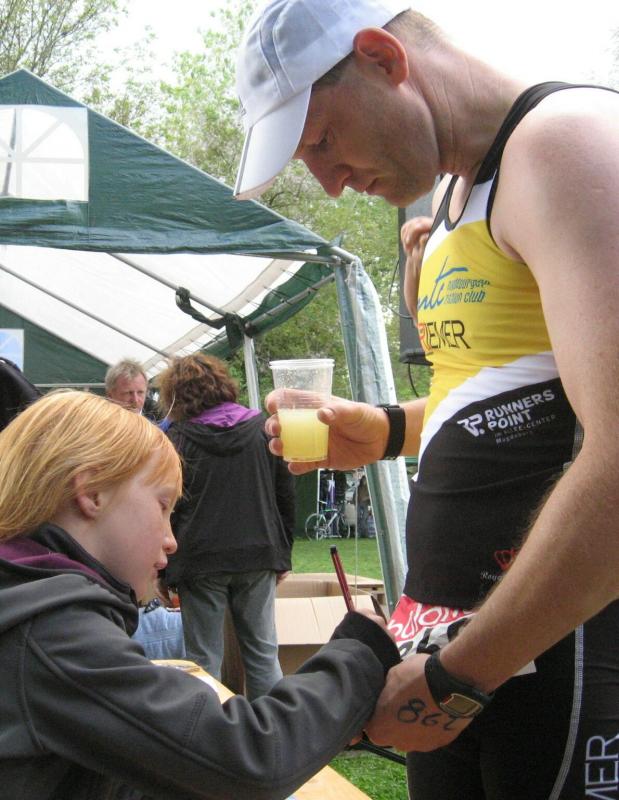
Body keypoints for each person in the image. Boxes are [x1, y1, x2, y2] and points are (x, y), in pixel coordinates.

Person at [234, 1, 619, 797]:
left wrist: (460, 677)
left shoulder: (567, 143)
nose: (328, 183)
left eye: (322, 141)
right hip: (454, 636)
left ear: (383, 58)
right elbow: (508, 391)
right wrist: (381, 430)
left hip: (550, 643)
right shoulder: (455, 197)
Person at [0, 390, 400, 800]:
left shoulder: (24, 597)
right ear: (92, 493)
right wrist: (360, 657)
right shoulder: (51, 632)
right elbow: (248, 760)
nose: (171, 540)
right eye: (163, 507)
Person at [156, 353, 296, 700]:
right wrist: (282, 554)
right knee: (263, 654)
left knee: (203, 661)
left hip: (200, 561)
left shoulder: (176, 440)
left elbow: (168, 509)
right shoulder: (263, 430)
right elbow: (285, 495)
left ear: (175, 394)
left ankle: (207, 730)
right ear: (222, 384)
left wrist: (164, 570)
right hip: (259, 554)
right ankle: (273, 728)